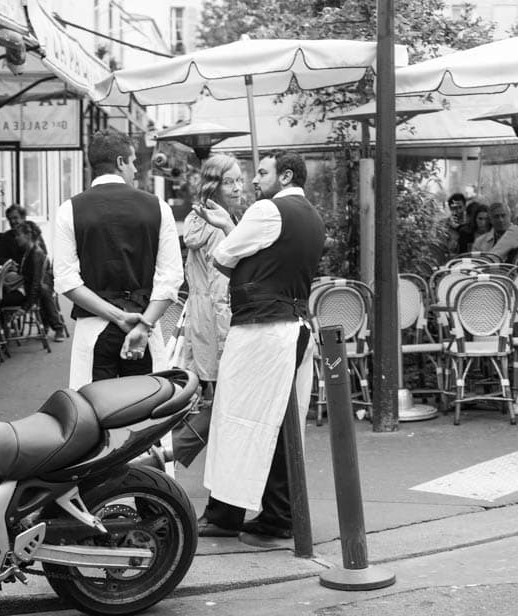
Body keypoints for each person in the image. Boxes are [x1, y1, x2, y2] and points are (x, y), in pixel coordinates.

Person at [191, 150, 325, 540]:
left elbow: (222, 257)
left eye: (262, 172)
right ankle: (278, 515)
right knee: (282, 426)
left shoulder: (267, 210)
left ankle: (224, 514)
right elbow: (269, 253)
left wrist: (229, 229)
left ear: (284, 176)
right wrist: (230, 223)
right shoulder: (312, 217)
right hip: (296, 326)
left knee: (237, 419)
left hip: (261, 330)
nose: (253, 180)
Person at [53, 130, 183, 389]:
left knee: (93, 413)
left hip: (94, 328)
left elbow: (66, 282)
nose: (135, 170)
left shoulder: (69, 209)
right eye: (134, 162)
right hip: (145, 324)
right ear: (121, 162)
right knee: (147, 413)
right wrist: (144, 324)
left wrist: (117, 316)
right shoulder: (157, 207)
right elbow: (171, 279)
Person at [182, 154, 242, 391]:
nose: (237, 188)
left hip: (199, 317)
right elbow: (221, 290)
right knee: (224, 397)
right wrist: (227, 340)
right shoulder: (218, 228)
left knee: (208, 393)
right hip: (218, 321)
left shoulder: (197, 219)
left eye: (239, 180)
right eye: (229, 182)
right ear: (214, 187)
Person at [2, 221, 65, 341]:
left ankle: (57, 326)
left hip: (35, 288)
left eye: (18, 235)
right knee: (42, 289)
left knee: (43, 290)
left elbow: (35, 283)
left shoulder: (35, 254)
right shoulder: (29, 251)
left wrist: (25, 307)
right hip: (31, 287)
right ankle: (49, 325)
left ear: (28, 235)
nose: (16, 238)